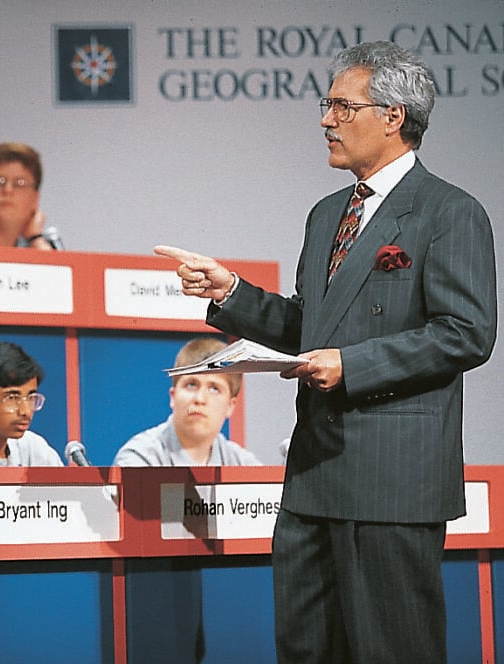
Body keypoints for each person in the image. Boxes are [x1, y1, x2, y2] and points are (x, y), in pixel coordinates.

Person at [156, 41, 496, 663]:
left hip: (393, 478)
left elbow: (466, 333)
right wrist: (231, 293)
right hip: (313, 477)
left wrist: (353, 365)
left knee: (394, 651)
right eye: (327, 104)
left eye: (341, 105)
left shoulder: (450, 211)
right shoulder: (327, 214)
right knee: (307, 650)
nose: (325, 120)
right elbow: (314, 326)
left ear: (393, 116)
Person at [113, 337, 261, 467]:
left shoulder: (242, 464)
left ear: (230, 406)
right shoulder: (138, 458)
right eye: (191, 385)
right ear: (173, 396)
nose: (200, 399)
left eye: (214, 389)